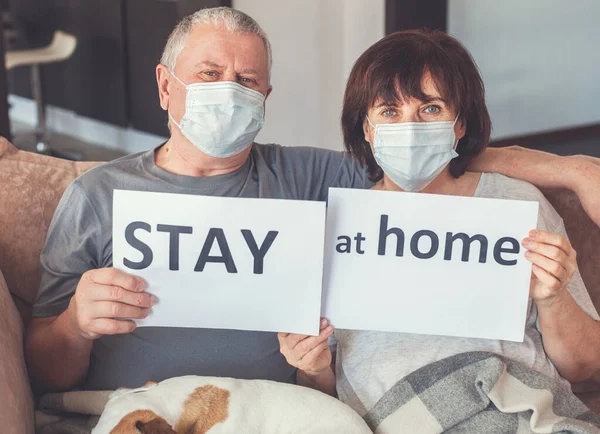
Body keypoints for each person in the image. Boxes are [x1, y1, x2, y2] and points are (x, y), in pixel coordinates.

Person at [26, 7, 600, 395]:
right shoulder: (97, 195)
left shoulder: (309, 176)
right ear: (163, 86)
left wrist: (571, 170)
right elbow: (43, 371)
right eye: (209, 73)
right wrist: (76, 324)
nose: (229, 90)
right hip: (131, 414)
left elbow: (430, 164)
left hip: (278, 422)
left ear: (266, 96)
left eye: (248, 80)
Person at [278, 29, 600, 413]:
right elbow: (322, 388)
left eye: (430, 109)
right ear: (366, 129)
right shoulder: (339, 227)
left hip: (516, 414)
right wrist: (312, 367)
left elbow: (581, 367)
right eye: (389, 111)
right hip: (393, 431)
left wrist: (553, 297)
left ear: (459, 124)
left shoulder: (518, 204)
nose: (409, 128)